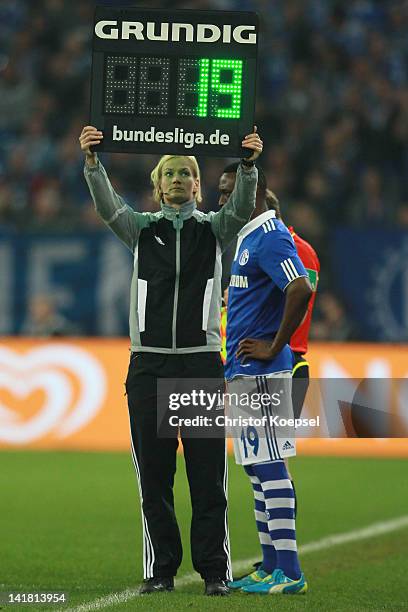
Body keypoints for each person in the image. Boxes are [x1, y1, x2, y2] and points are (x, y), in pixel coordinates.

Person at [79, 125, 263, 596]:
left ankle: (215, 573)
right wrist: (94, 164)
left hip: (200, 365)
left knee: (207, 478)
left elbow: (241, 207)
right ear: (158, 186)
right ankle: (161, 572)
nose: (179, 179)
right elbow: (107, 208)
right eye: (171, 174)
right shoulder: (141, 229)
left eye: (187, 173)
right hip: (148, 367)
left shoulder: (214, 229)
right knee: (155, 480)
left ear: (198, 187)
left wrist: (247, 166)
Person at [217, 162, 312, 594]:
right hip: (243, 371)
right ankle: (269, 565)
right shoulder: (248, 236)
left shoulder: (271, 236)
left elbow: (300, 289)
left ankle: (289, 572)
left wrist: (275, 345)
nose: (220, 201)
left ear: (250, 192)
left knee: (270, 465)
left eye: (225, 193)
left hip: (263, 372)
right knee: (257, 468)